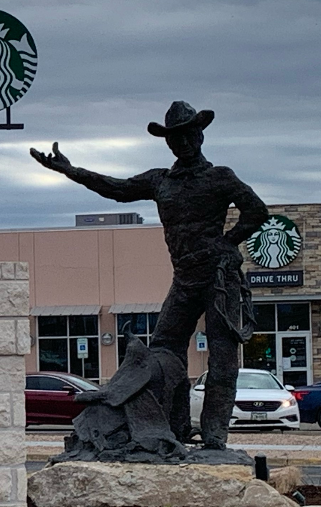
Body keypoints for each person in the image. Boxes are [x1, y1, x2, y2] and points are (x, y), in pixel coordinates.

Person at [30, 101, 269, 449]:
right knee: (162, 354)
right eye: (174, 138)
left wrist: (227, 242)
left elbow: (257, 211)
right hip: (185, 279)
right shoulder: (161, 181)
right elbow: (116, 187)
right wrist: (70, 170)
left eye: (187, 134)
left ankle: (215, 440)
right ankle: (173, 429)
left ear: (199, 135)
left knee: (222, 361)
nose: (182, 142)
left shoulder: (220, 177)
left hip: (218, 279)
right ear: (168, 143)